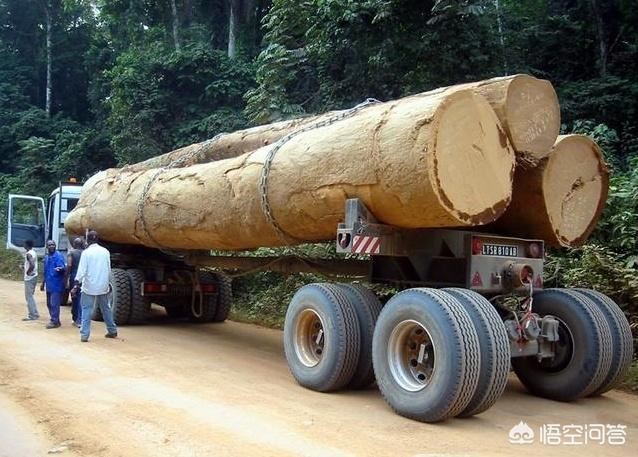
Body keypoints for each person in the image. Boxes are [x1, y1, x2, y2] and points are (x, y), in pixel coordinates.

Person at [72, 230, 117, 343]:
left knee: (86, 309)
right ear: (97, 239)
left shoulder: (86, 253)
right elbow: (108, 268)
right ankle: (112, 330)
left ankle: (84, 335)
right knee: (106, 308)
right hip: (103, 285)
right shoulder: (105, 251)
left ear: (88, 240)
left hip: (89, 286)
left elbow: (82, 271)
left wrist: (76, 284)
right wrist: (107, 283)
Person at [40, 240, 66, 329]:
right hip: (49, 284)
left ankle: (54, 321)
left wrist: (61, 269)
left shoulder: (58, 256)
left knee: (54, 304)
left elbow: (63, 267)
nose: (51, 246)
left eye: (53, 245)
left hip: (56, 284)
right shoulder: (47, 257)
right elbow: (45, 271)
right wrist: (43, 283)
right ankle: (56, 320)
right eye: (49, 245)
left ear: (55, 246)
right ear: (47, 247)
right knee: (49, 303)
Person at [66, 237, 85, 327]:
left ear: (74, 244)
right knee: (81, 298)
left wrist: (66, 278)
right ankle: (79, 319)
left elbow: (69, 265)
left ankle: (77, 319)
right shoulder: (85, 253)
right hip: (84, 277)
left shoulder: (71, 253)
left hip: (74, 276)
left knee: (74, 298)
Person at [22, 239, 40, 321]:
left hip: (29, 278)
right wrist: (24, 267)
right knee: (31, 296)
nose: (23, 245)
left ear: (27, 245)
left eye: (24, 244)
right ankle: (35, 313)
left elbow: (32, 265)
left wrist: (28, 272)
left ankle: (33, 315)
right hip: (34, 276)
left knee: (29, 297)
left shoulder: (29, 254)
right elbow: (31, 264)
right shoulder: (33, 252)